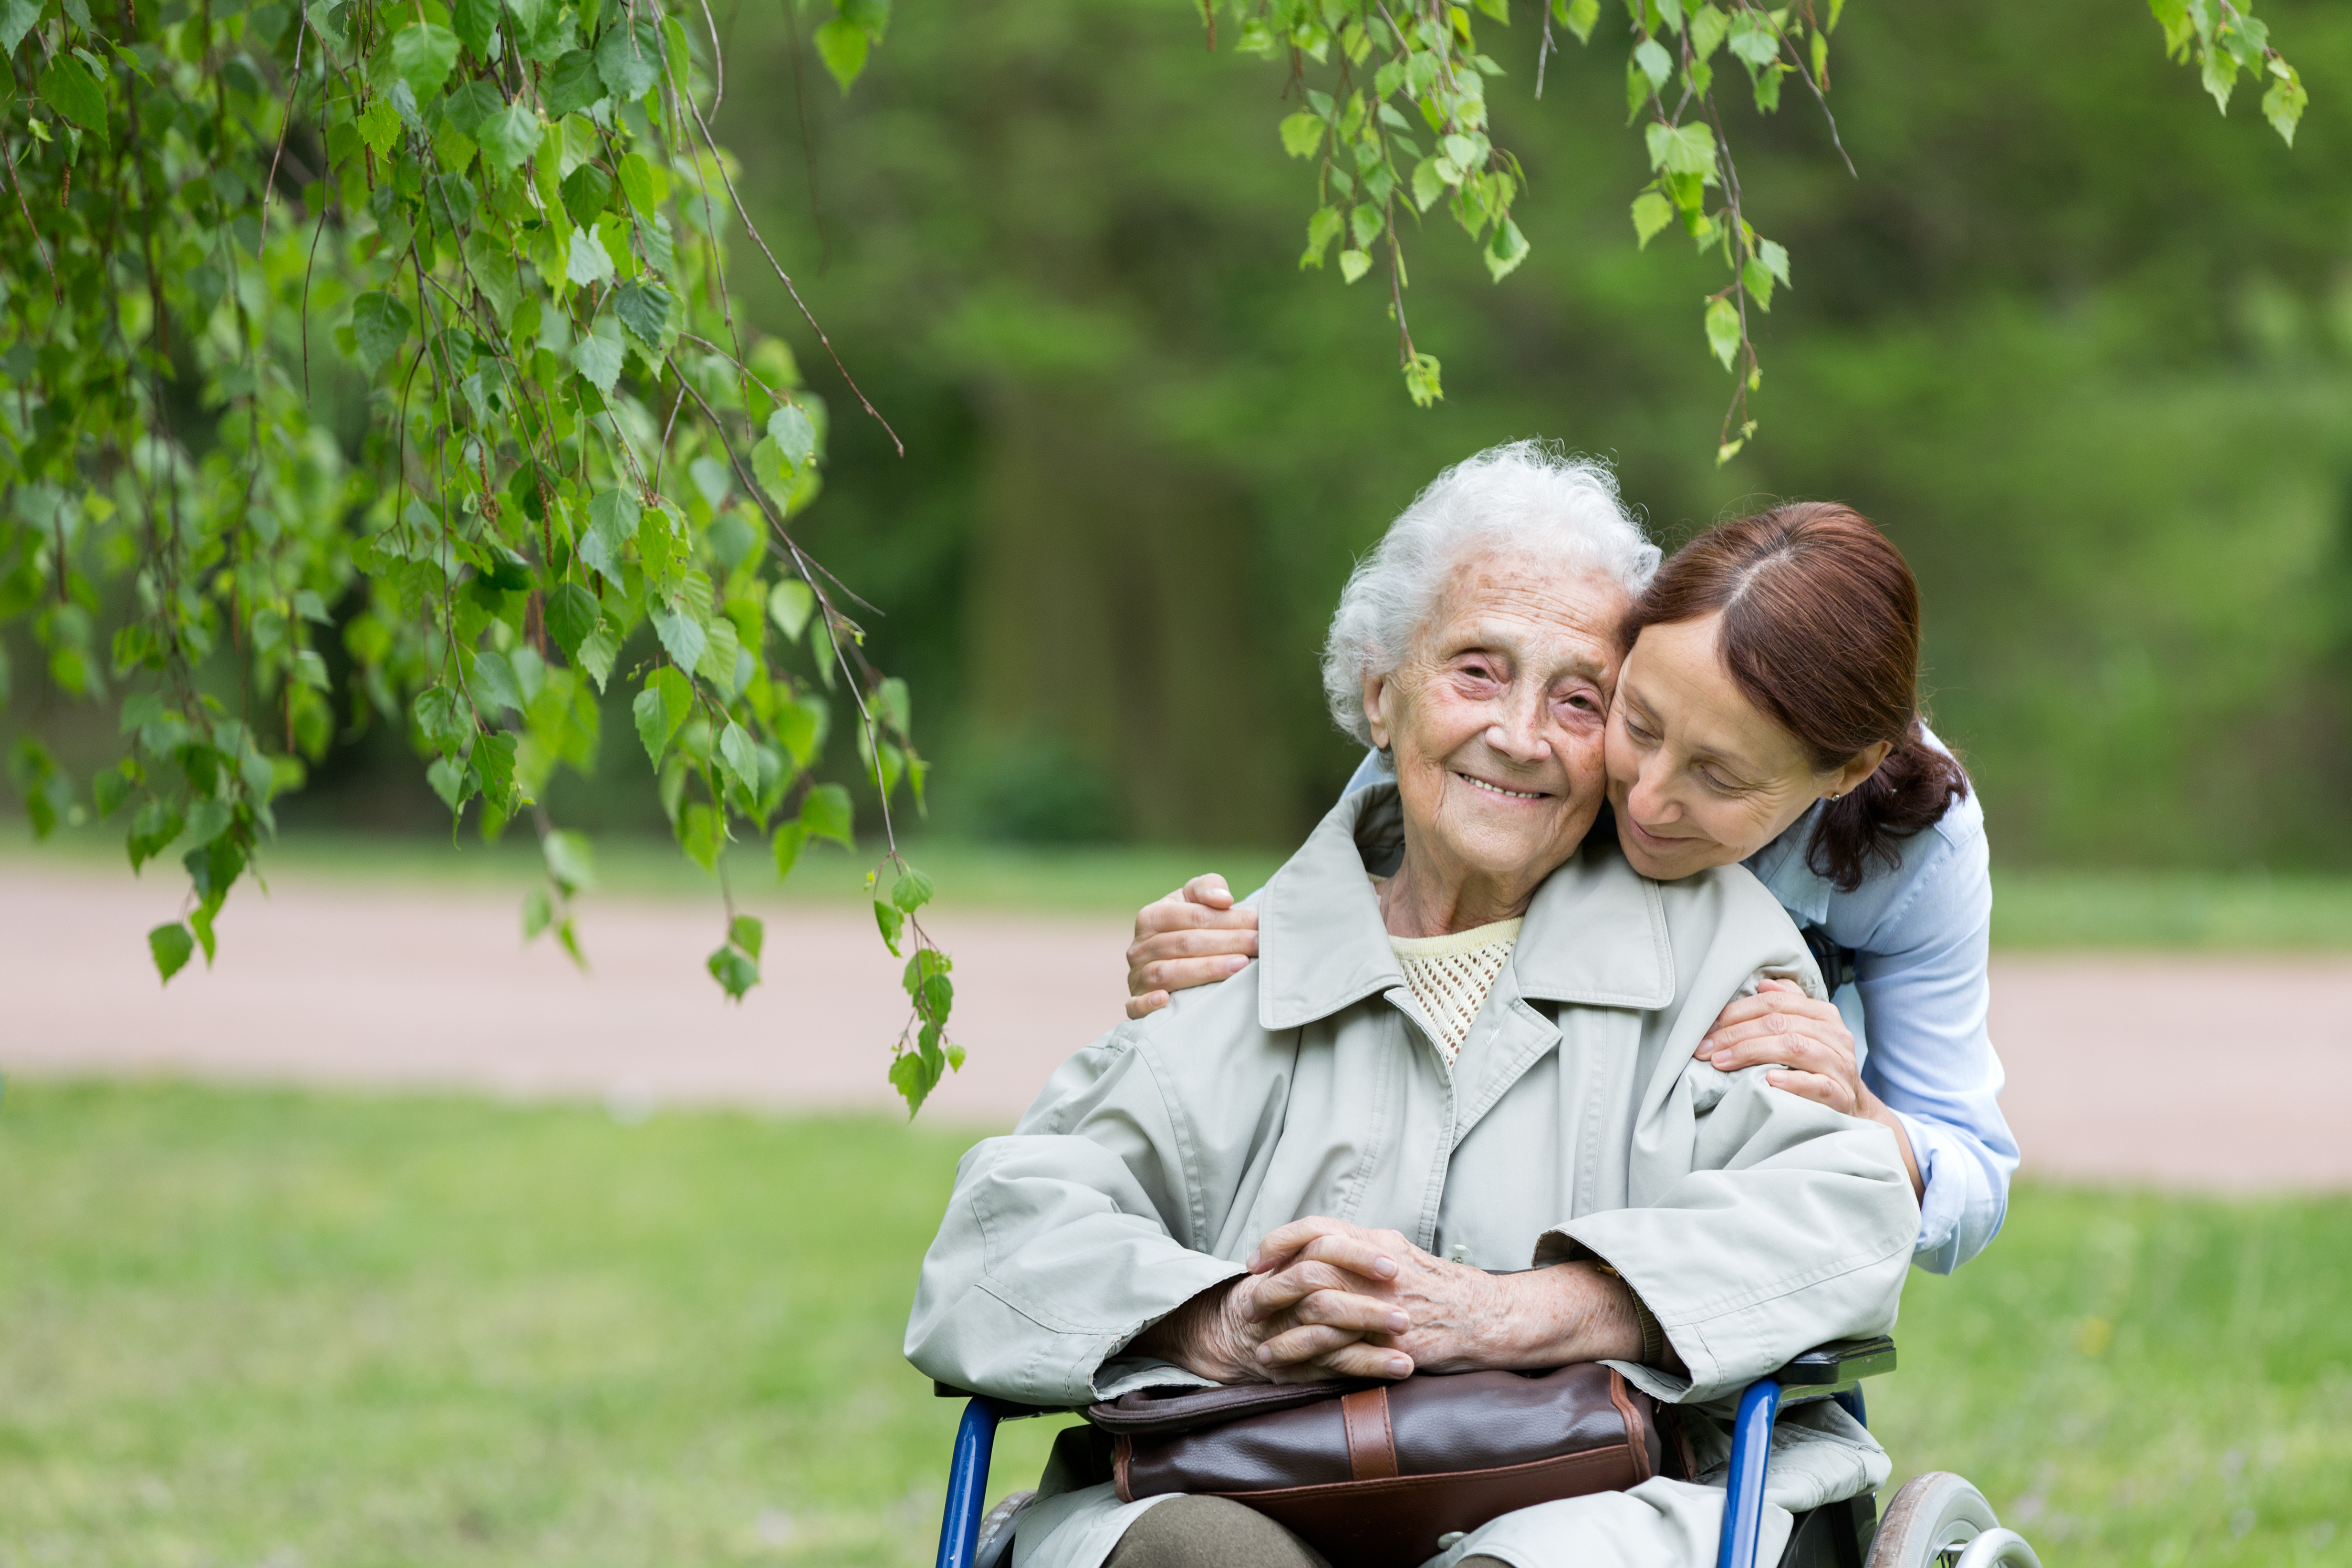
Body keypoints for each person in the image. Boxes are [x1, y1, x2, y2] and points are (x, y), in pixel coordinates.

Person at [905, 444, 1918, 1568]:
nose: (1521, 735)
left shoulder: (1718, 955)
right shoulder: (1234, 959)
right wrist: (1225, 1323)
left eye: (1578, 699)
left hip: (1631, 1495)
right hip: (1269, 1483)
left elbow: (1844, 1217)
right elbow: (997, 1247)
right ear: (1380, 695)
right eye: (1476, 672)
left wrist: (1517, 1314)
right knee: (1189, 1555)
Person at [1124, 498, 2016, 1275]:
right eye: (1635, 721)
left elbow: (1970, 1179)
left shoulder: (1917, 847)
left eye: (1720, 776)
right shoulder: (1526, 733)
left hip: (1737, 1194)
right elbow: (1326, 939)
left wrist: (1861, 1117)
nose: (1649, 797)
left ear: (1845, 772)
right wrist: (1207, 954)